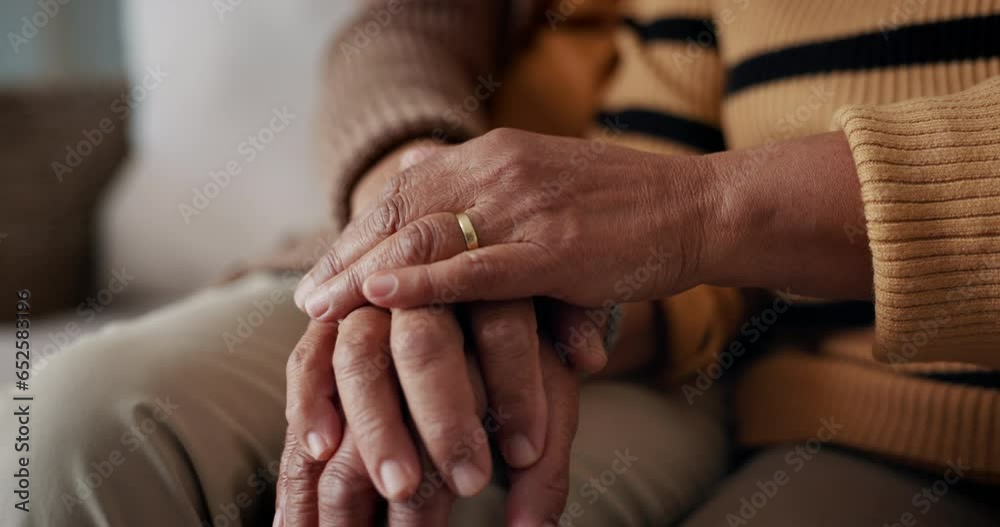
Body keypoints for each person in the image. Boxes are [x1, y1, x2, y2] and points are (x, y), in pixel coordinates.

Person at [5, 2, 999, 527]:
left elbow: (677, 195)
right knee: (75, 428)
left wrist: (626, 240)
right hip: (552, 280)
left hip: (845, 382)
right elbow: (405, 28)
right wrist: (417, 230)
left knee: (448, 488)